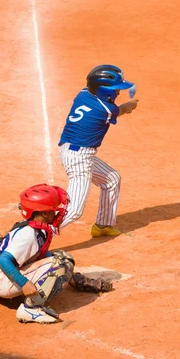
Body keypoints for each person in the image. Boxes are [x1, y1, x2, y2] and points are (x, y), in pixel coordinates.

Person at [0, 184, 75, 323]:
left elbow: (40, 255)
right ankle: (31, 308)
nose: (57, 213)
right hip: (0, 280)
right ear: (44, 213)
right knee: (61, 262)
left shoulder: (30, 225)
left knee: (58, 257)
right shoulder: (29, 235)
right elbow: (3, 260)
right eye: (54, 210)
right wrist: (24, 283)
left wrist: (72, 276)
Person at [57, 65, 139, 237]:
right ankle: (34, 237)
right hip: (79, 158)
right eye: (115, 89)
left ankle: (103, 225)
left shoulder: (83, 93)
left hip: (73, 150)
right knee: (73, 211)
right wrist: (129, 105)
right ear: (103, 91)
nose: (117, 92)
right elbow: (121, 110)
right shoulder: (106, 110)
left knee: (112, 179)